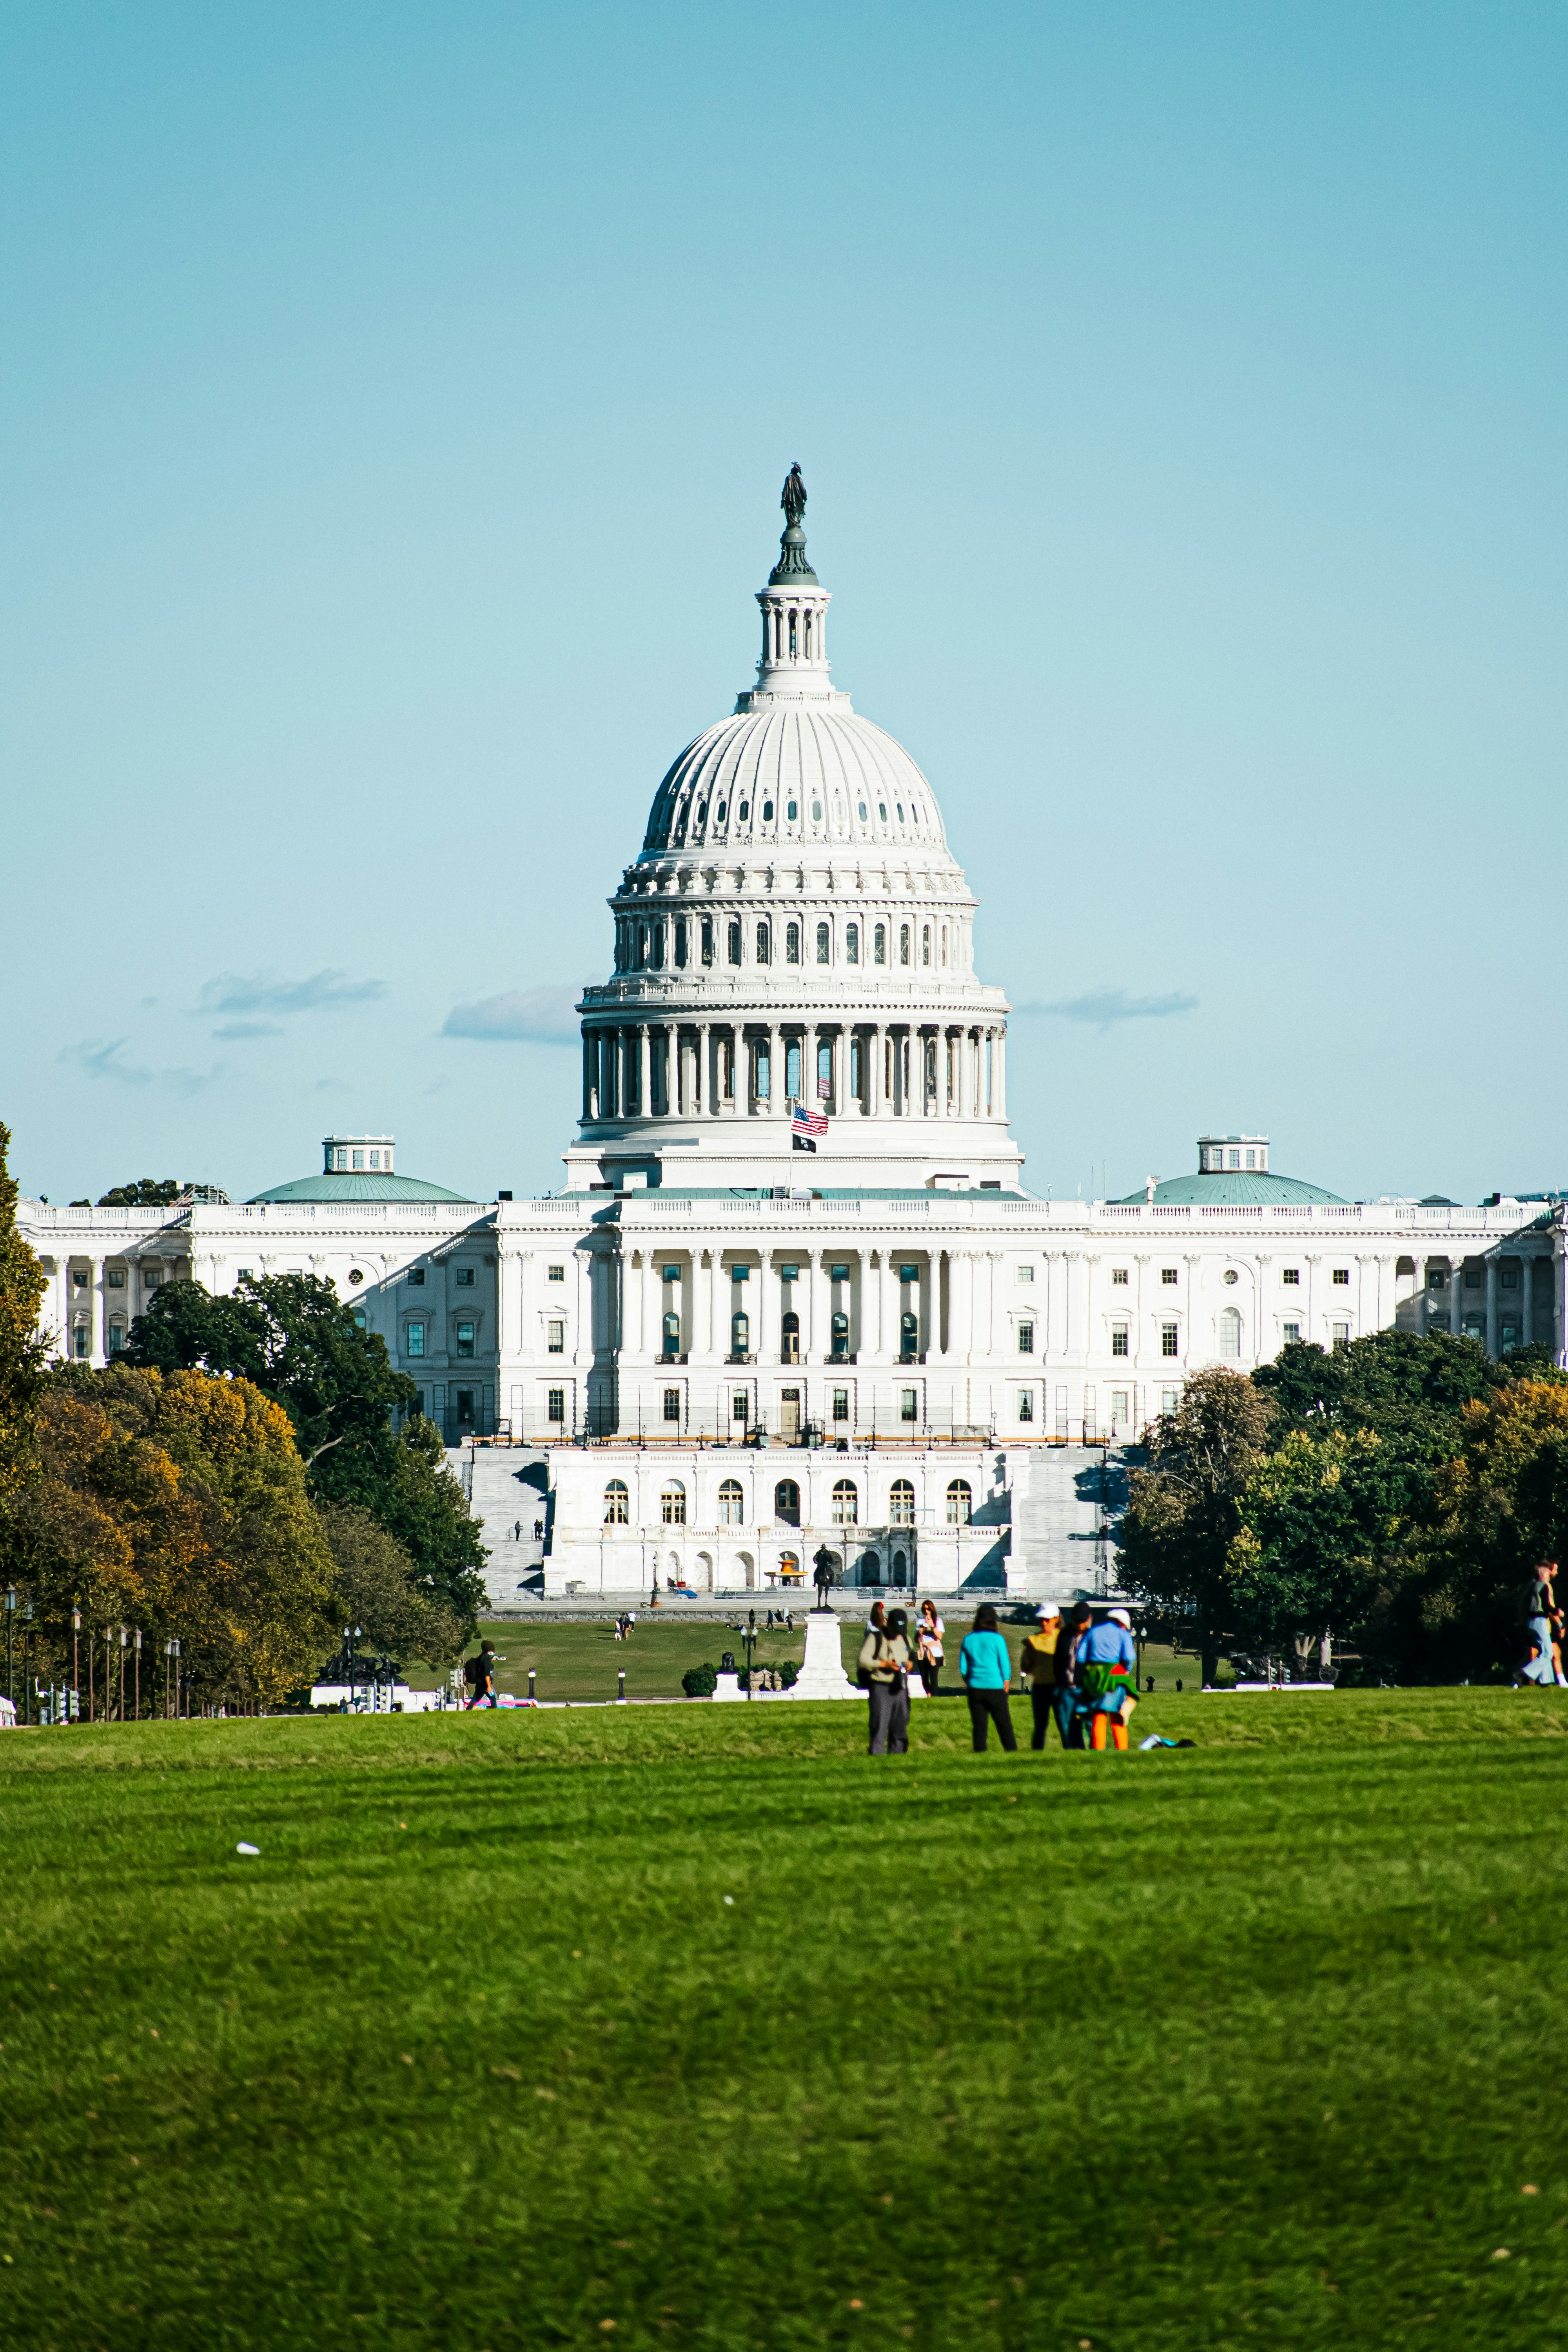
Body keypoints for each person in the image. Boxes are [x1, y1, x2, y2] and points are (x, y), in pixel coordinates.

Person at [958, 1604, 1016, 1753]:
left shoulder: (968, 1639)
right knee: (1005, 1726)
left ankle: (980, 1757)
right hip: (996, 1687)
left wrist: (971, 1682)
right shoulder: (998, 1639)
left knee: (979, 1728)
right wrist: (1006, 1683)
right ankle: (1012, 1754)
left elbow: (963, 1669)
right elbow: (1005, 1664)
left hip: (975, 1688)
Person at [858, 1604, 914, 1754]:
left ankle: (898, 1759)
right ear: (888, 1623)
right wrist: (883, 1664)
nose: (898, 1634)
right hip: (881, 1686)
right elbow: (863, 1661)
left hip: (901, 1687)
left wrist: (909, 1665)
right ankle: (877, 1759)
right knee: (880, 1727)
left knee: (901, 1727)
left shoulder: (906, 1639)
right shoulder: (875, 1638)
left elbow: (911, 1658)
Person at [1078, 1609, 1137, 1749]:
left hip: (1094, 1676)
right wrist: (1126, 1669)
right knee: (1118, 1715)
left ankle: (1099, 1750)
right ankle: (1121, 1750)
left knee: (1099, 1714)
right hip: (1115, 1674)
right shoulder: (1123, 1634)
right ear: (1122, 1623)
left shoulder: (1092, 1632)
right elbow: (1129, 1657)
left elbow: (1081, 1656)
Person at [1020, 1602, 1063, 1750]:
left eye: (1047, 1619)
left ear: (1056, 1619)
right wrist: (1028, 1652)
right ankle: (1037, 1755)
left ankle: (1071, 1753)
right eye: (1041, 1620)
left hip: (1059, 1687)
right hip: (1040, 1688)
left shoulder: (1063, 1638)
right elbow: (1025, 1667)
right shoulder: (1034, 1640)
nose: (1044, 1623)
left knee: (1064, 1724)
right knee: (1040, 1726)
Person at [1054, 1601, 1093, 1748]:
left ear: (1090, 1618)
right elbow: (1058, 1662)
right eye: (1078, 1621)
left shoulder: (1093, 1636)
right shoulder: (1064, 1635)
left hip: (1086, 1689)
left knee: (1091, 1725)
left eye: (1083, 1621)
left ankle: (1094, 1752)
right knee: (1067, 1727)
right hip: (1066, 1689)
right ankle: (1072, 1752)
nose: (1081, 1625)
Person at [916, 1599, 946, 1698]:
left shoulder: (938, 1621)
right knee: (924, 1677)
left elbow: (940, 1637)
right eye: (924, 1609)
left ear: (932, 1610)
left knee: (934, 1677)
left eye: (928, 1609)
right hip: (923, 1651)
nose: (926, 1612)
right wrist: (920, 1632)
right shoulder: (920, 1621)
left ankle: (935, 1696)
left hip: (935, 1652)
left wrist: (932, 1626)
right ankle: (928, 1694)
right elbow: (916, 1639)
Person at [464, 1642, 498, 1710]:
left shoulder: (481, 1657)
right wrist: (489, 1687)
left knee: (476, 1698)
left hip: (479, 1683)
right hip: (485, 1684)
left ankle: (468, 1710)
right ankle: (494, 1710)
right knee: (494, 1697)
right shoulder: (487, 1660)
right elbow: (487, 1674)